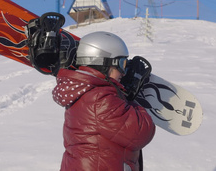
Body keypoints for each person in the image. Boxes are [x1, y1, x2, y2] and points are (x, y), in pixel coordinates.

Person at [52, 31, 156, 171]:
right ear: (103, 63)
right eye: (121, 64)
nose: (124, 73)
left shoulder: (85, 92)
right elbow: (140, 132)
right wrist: (131, 99)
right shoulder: (100, 100)